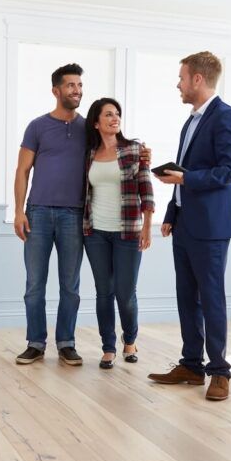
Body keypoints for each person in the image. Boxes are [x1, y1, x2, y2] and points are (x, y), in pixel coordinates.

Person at [13, 64, 151, 367]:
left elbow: (116, 150)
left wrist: (143, 154)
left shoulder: (87, 129)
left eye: (79, 85)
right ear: (56, 90)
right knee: (34, 284)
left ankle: (66, 343)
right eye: (71, 85)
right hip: (37, 212)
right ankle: (35, 343)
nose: (77, 90)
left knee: (70, 285)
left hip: (74, 216)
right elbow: (22, 170)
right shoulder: (37, 126)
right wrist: (19, 211)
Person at [147, 51, 231, 401]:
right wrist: (172, 214)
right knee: (187, 298)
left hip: (211, 227)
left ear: (198, 80)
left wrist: (186, 180)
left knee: (211, 298)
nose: (178, 84)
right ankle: (191, 364)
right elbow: (185, 174)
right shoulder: (190, 121)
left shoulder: (227, 118)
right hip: (185, 224)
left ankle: (219, 371)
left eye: (182, 78)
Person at [82, 98, 154, 369]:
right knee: (104, 292)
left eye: (117, 114)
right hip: (95, 232)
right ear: (96, 122)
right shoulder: (88, 154)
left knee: (125, 293)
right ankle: (108, 347)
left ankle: (130, 340)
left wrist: (147, 227)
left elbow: (146, 190)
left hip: (128, 232)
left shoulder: (134, 150)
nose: (115, 118)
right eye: (108, 115)